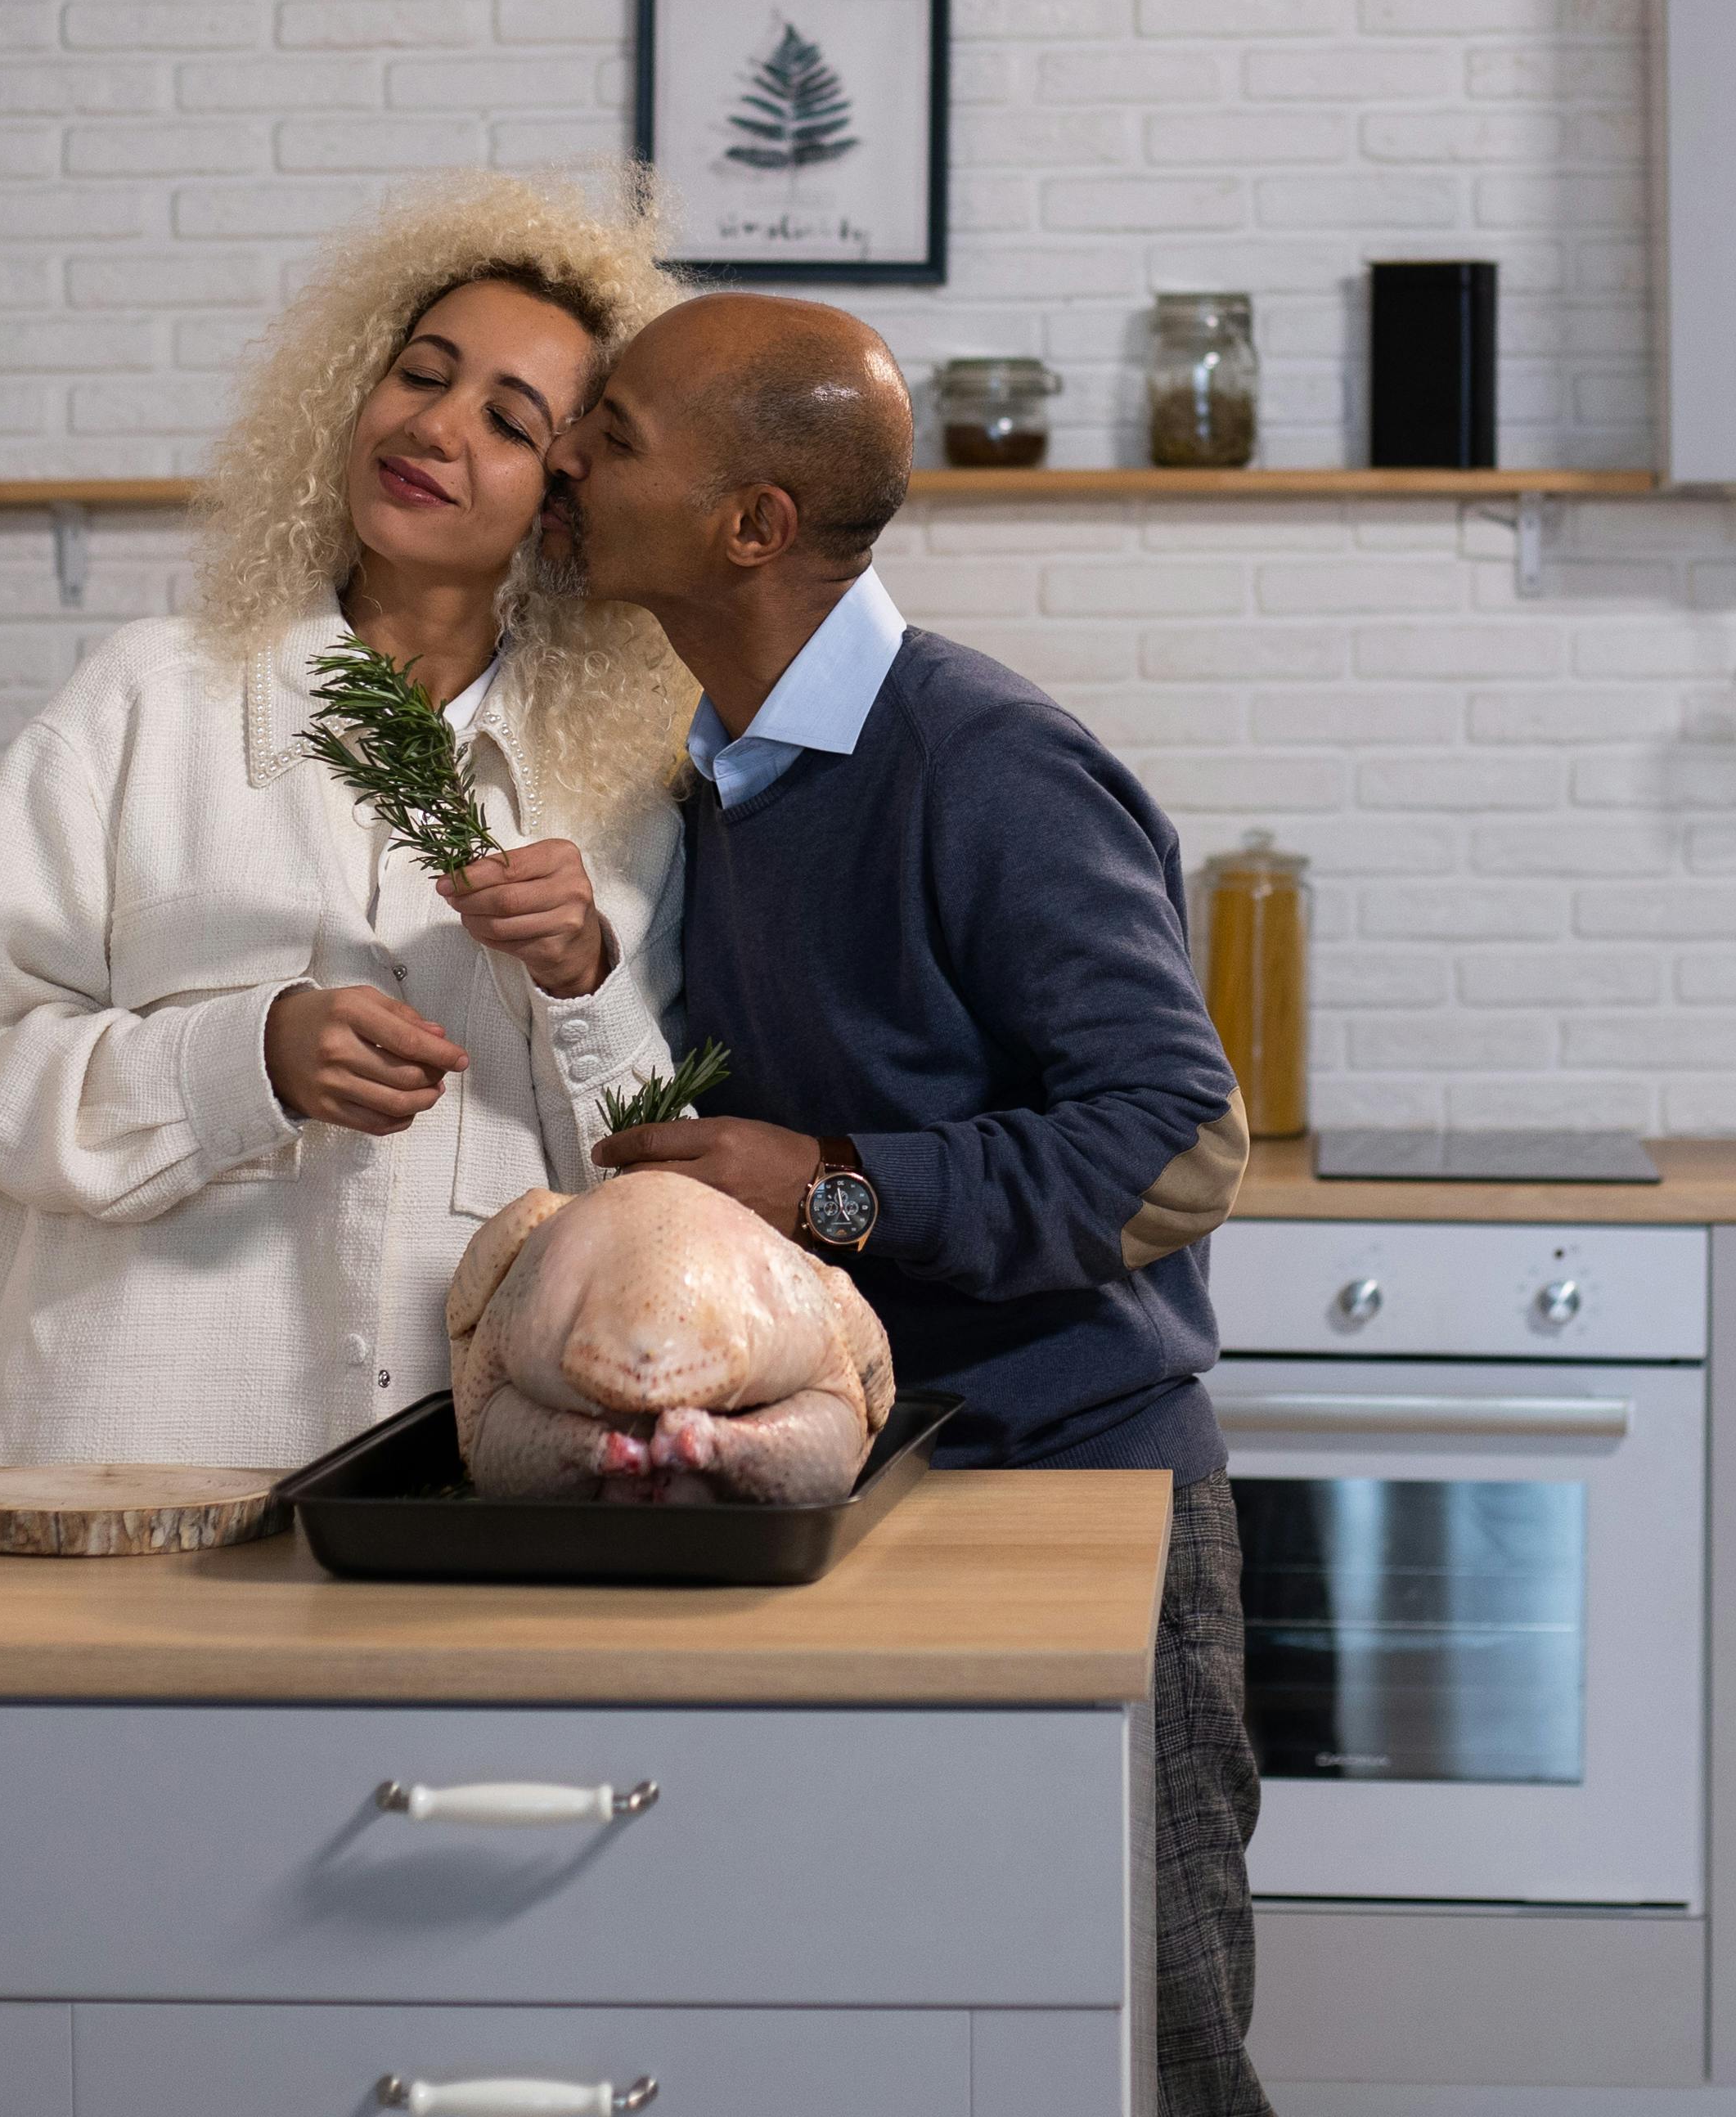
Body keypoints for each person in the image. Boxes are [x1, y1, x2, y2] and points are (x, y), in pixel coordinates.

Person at [545, 293, 1268, 2117]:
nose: (564, 457)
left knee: (1141, 2043)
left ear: (750, 527)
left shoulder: (982, 760)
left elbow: (1177, 1143)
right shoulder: (719, 777)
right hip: (871, 1485)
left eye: (611, 432)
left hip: (1078, 1503)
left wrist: (831, 1188)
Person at [0, 175, 696, 1471]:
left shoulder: (618, 794)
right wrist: (249, 1059)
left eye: (506, 418)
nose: (435, 427)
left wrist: (583, 980)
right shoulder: (143, 702)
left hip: (455, 1475)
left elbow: (658, 1196)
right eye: (419, 375)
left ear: (571, 498)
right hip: (124, 1454)